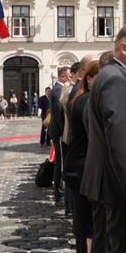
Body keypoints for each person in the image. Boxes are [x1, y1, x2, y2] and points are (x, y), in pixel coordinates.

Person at [81, 23, 126, 253]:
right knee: (123, 246)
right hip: (119, 186)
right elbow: (120, 143)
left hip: (111, 182)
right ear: (124, 47)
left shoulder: (118, 75)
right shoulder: (115, 79)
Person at [65, 60, 101, 253]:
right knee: (87, 225)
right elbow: (94, 135)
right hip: (82, 170)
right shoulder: (86, 100)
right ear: (90, 78)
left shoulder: (84, 97)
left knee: (85, 222)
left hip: (80, 168)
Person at [49, 66, 72, 205]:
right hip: (59, 131)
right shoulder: (58, 89)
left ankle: (59, 192)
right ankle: (60, 193)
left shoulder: (58, 88)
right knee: (61, 163)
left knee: (60, 162)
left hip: (57, 130)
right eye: (69, 76)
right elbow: (59, 113)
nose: (70, 78)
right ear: (62, 77)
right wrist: (65, 132)